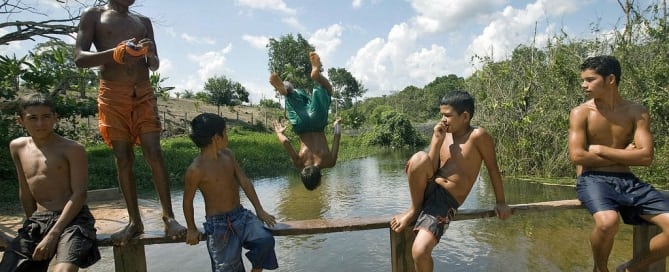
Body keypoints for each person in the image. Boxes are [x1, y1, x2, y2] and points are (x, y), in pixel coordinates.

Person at [73, 0, 185, 245]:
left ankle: (168, 217)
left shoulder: (142, 22)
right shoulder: (94, 15)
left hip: (143, 91)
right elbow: (80, 57)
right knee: (123, 156)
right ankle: (135, 221)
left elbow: (154, 66)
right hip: (113, 93)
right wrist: (115, 53)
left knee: (154, 151)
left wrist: (150, 53)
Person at [390, 90, 512, 272]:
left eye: (448, 115)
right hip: (427, 190)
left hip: (444, 200)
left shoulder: (478, 136)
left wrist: (501, 202)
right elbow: (429, 167)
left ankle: (417, 212)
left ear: (465, 116)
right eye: (441, 115)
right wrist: (437, 142)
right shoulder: (442, 133)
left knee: (420, 251)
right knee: (419, 158)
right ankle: (414, 210)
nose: (443, 120)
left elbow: (493, 169)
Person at [568, 55, 669, 272]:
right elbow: (578, 157)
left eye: (590, 79)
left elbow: (645, 157)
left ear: (610, 79)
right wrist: (625, 153)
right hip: (593, 179)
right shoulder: (581, 113)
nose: (583, 85)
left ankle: (629, 268)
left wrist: (602, 150)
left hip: (628, 181)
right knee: (607, 223)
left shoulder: (637, 112)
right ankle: (601, 269)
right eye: (583, 80)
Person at [0, 93, 100, 272]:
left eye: (46, 117)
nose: (40, 124)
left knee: (62, 271)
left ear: (55, 118)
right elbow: (25, 190)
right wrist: (32, 226)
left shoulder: (72, 149)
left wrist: (53, 234)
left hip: (74, 219)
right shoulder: (17, 146)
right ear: (20, 121)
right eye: (33, 118)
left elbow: (79, 194)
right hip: (39, 220)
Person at [183, 113, 278, 272]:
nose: (228, 136)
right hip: (218, 225)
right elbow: (187, 201)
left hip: (241, 216)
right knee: (227, 268)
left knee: (265, 240)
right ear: (216, 138)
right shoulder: (196, 169)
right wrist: (191, 228)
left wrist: (259, 210)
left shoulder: (228, 155)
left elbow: (244, 181)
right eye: (225, 132)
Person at [270, 51, 341, 190]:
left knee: (328, 90)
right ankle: (284, 89)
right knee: (290, 93)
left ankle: (317, 75)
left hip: (318, 122)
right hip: (301, 125)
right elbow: (285, 141)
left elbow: (337, 136)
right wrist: (279, 132)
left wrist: (337, 125)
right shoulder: (299, 163)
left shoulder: (329, 162)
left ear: (319, 179)